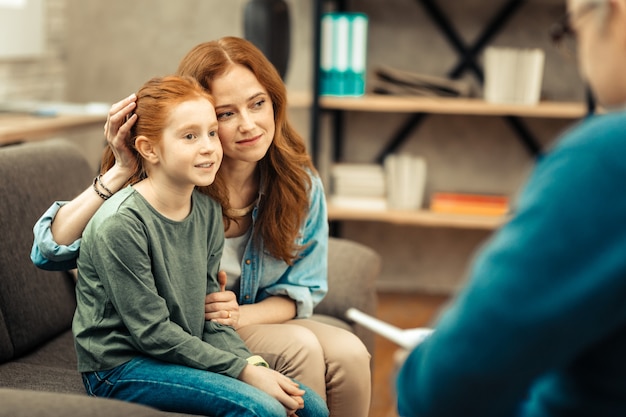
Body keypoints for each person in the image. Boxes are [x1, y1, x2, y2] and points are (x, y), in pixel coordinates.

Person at [31, 37, 371, 417]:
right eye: (225, 114)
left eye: (258, 103)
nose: (248, 125)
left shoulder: (292, 185)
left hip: (226, 321)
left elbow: (302, 290)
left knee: (350, 353)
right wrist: (119, 171)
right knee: (300, 349)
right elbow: (50, 250)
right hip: (174, 332)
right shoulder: (172, 179)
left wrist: (239, 316)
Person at [395, 0, 626, 416]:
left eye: (572, 31)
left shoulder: (607, 159)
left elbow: (447, 389)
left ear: (615, 10)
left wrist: (417, 365)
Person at [73, 74, 327, 417]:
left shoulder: (206, 210)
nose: (209, 147)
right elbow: (152, 333)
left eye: (211, 132)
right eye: (190, 136)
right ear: (149, 149)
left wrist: (253, 364)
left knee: (311, 406)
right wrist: (243, 371)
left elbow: (209, 315)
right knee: (263, 410)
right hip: (120, 366)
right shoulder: (121, 224)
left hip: (179, 348)